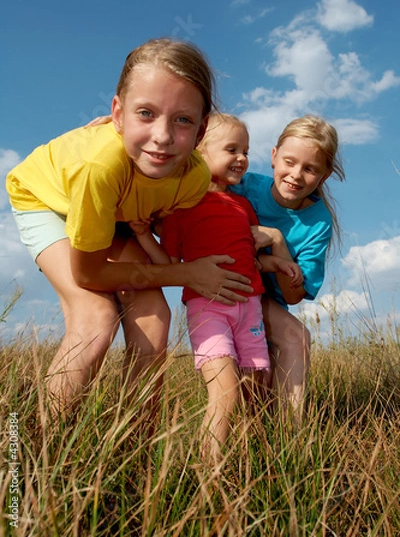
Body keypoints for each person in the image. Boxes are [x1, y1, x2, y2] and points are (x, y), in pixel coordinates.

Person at [5, 38, 254, 419]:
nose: (163, 136)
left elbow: (166, 232)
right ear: (118, 114)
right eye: (146, 113)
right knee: (95, 317)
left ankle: (132, 455)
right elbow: (89, 273)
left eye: (182, 119)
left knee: (155, 317)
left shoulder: (192, 177)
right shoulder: (99, 167)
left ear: (202, 132)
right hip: (49, 200)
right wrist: (184, 273)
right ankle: (34, 455)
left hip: (113, 213)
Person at [134, 113, 303, 462]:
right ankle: (208, 474)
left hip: (250, 308)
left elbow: (250, 258)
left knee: (256, 388)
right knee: (225, 391)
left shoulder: (242, 206)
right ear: (199, 151)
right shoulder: (184, 207)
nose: (242, 157)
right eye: (231, 149)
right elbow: (169, 264)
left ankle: (255, 461)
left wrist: (279, 264)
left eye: (245, 150)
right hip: (208, 309)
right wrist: (141, 235)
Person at [231, 114, 345, 418]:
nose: (296, 175)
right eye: (290, 162)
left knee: (296, 339)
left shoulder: (317, 222)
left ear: (324, 176)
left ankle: (289, 438)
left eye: (310, 169)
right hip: (230, 288)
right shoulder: (244, 187)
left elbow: (294, 296)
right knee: (249, 390)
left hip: (267, 300)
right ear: (273, 157)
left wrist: (278, 243)